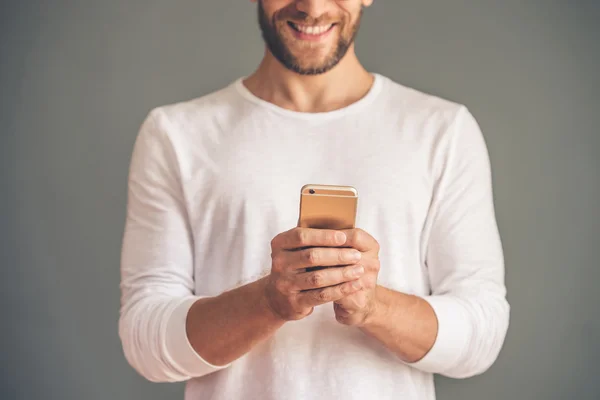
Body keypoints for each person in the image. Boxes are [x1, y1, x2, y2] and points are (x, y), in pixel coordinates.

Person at [118, 0, 510, 399]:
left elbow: (481, 335)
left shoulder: (443, 131)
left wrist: (374, 307)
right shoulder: (176, 135)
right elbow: (144, 342)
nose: (313, 7)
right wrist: (268, 302)